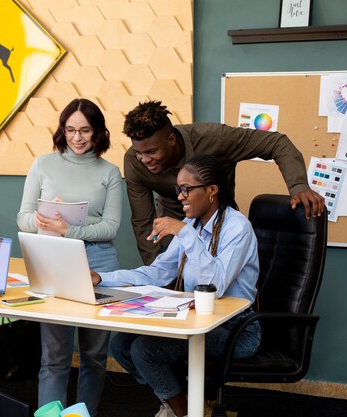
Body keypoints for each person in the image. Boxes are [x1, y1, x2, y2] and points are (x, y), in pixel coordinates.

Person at [91, 155, 261, 417]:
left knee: (144, 351)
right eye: (178, 190)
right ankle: (183, 403)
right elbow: (158, 273)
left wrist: (184, 233)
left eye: (186, 189)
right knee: (121, 345)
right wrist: (102, 278)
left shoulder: (237, 228)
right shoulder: (192, 226)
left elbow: (214, 284)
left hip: (237, 329)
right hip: (196, 320)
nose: (180, 196)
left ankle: (186, 411)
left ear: (212, 191)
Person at [17, 98, 122, 416]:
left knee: (93, 355)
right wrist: (45, 220)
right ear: (62, 130)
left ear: (98, 132)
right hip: (55, 260)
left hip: (99, 263)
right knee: (55, 355)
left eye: (86, 130)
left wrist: (69, 228)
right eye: (71, 129)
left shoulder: (110, 172)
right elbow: (23, 218)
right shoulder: (43, 164)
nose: (77, 137)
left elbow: (111, 227)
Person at [122, 100, 325, 265]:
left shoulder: (214, 139)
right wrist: (157, 271)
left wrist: (298, 186)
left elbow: (276, 143)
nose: (144, 159)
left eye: (151, 152)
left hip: (221, 230)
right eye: (139, 152)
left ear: (172, 140)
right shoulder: (134, 160)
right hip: (174, 234)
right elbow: (143, 222)